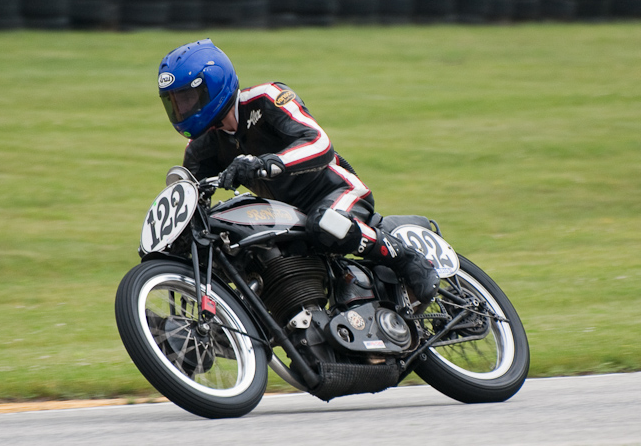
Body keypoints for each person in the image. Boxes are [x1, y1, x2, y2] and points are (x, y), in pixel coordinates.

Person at [158, 39, 439, 304]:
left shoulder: (267, 98)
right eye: (174, 102)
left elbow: (320, 143)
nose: (181, 109)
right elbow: (191, 202)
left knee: (324, 222)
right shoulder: (200, 148)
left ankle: (408, 259)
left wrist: (266, 163)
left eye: (187, 98)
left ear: (213, 85)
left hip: (335, 193)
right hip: (284, 216)